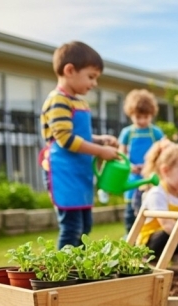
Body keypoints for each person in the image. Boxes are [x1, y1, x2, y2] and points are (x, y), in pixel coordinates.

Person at [40, 41, 120, 249]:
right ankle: (63, 269)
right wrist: (101, 151)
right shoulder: (58, 100)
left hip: (79, 172)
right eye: (91, 76)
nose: (94, 83)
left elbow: (80, 136)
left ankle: (80, 268)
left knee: (85, 228)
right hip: (64, 172)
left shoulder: (78, 101)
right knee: (71, 229)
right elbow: (65, 139)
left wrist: (100, 140)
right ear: (69, 70)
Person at [118, 89, 166, 233]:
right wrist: (130, 165)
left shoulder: (156, 132)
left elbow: (164, 152)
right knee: (130, 211)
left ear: (152, 114)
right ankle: (129, 238)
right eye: (138, 117)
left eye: (146, 117)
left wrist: (150, 166)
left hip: (151, 176)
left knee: (151, 206)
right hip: (133, 177)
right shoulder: (127, 133)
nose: (142, 121)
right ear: (131, 114)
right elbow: (121, 153)